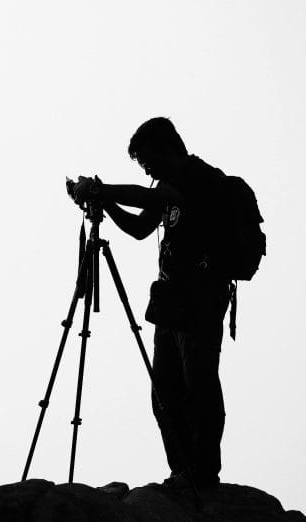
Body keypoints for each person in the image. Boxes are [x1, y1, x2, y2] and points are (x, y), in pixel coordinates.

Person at [71, 117, 232, 489]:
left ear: (167, 149)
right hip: (172, 301)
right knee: (165, 393)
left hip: (202, 299)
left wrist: (101, 188)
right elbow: (141, 229)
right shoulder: (166, 184)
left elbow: (153, 199)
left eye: (147, 162)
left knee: (199, 386)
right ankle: (182, 471)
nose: (146, 172)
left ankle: (204, 473)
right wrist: (103, 202)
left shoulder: (196, 178)